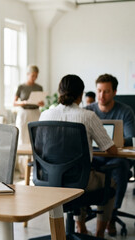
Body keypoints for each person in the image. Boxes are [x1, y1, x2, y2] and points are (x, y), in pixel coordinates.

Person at [40, 74, 117, 238]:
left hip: (48, 180)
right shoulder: (87, 116)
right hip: (79, 182)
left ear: (59, 91)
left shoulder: (45, 115)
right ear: (81, 95)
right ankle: (99, 234)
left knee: (79, 177)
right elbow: (111, 150)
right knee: (110, 183)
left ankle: (77, 229)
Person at [85, 73, 135, 236]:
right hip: (93, 158)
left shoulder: (125, 111)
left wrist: (103, 139)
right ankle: (81, 215)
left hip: (116, 158)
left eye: (106, 91)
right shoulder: (88, 111)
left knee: (121, 168)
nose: (101, 95)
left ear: (114, 92)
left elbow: (130, 138)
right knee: (78, 167)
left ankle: (112, 215)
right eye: (99, 90)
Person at [14, 65, 44, 177]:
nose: (34, 78)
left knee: (35, 140)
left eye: (36, 76)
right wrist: (24, 102)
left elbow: (41, 102)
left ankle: (33, 170)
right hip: (24, 113)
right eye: (32, 75)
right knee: (23, 140)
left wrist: (41, 103)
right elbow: (15, 102)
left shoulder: (39, 87)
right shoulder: (21, 87)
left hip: (35, 112)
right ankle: (23, 171)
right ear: (27, 74)